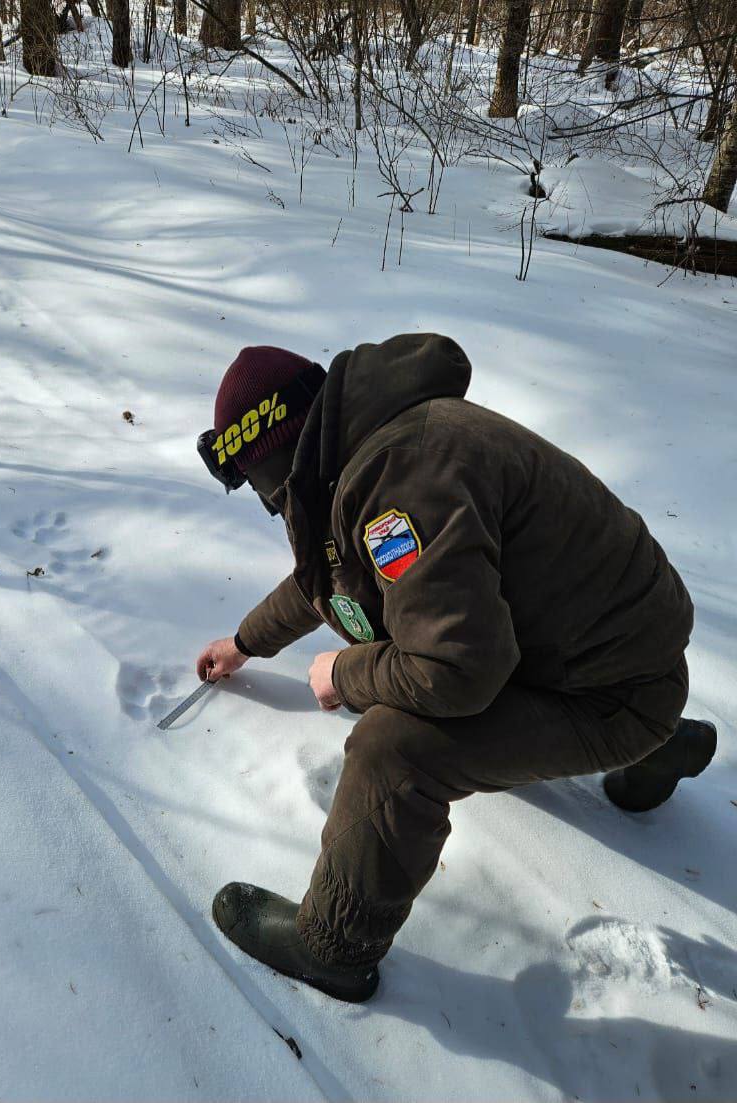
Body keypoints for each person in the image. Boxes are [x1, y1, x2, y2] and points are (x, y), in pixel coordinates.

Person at [195, 334, 716, 1004]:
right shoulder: (376, 440)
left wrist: (345, 672)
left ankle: (333, 946)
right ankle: (660, 744)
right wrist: (244, 641)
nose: (276, 510)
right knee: (441, 628)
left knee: (394, 743)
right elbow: (331, 576)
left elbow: (457, 670)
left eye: (270, 495)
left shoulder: (398, 486)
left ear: (281, 468)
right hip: (609, 649)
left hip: (612, 687)